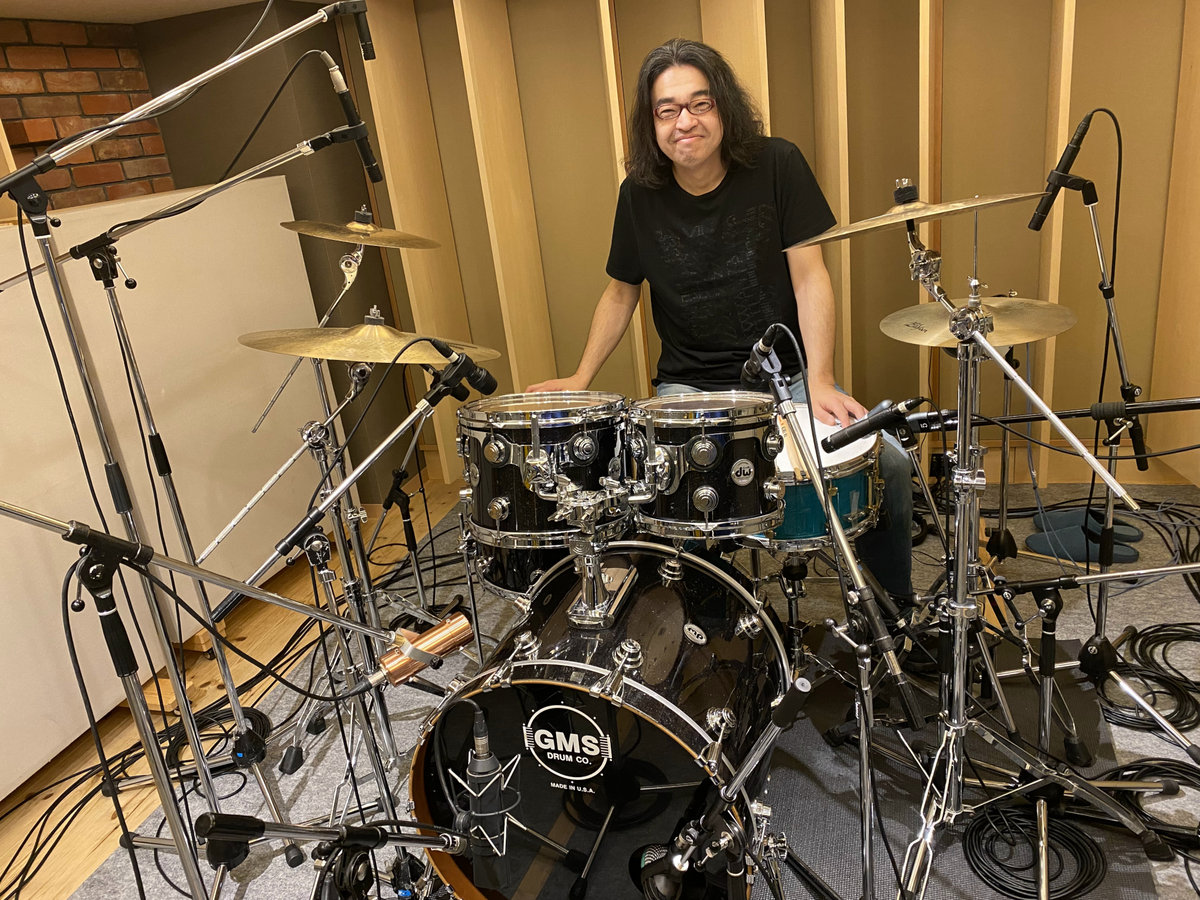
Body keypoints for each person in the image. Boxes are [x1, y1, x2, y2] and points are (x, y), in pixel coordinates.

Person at [528, 38, 912, 603]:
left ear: (723, 108)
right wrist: (581, 377)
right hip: (689, 388)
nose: (684, 121)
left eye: (699, 104)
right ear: (652, 125)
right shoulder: (639, 194)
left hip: (784, 381)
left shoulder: (777, 164)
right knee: (672, 495)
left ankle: (894, 609)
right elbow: (621, 292)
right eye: (667, 110)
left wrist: (821, 379)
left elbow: (810, 278)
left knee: (891, 464)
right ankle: (710, 623)